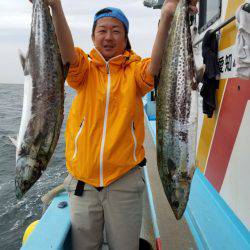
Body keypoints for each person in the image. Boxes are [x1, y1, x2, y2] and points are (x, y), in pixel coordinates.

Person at [31, 0, 198, 249]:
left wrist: (167, 16)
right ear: (93, 36)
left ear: (125, 37)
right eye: (102, 30)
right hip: (82, 184)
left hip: (124, 183)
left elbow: (155, 68)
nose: (109, 37)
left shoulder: (135, 71)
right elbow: (65, 53)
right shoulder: (83, 70)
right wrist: (55, 7)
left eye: (116, 31)